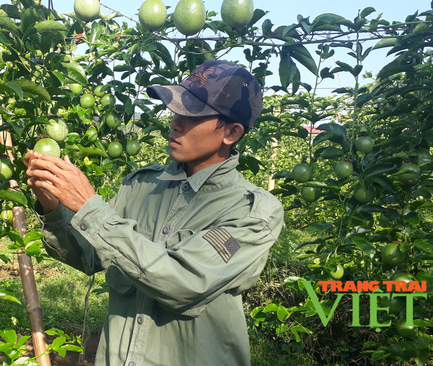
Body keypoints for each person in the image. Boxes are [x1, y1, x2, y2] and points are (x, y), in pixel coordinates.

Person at [24, 60, 284, 366]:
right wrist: (52, 204)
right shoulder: (142, 186)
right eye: (176, 112)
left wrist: (89, 206)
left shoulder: (252, 211)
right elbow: (91, 256)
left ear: (231, 132)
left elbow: (185, 282)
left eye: (192, 115)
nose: (175, 123)